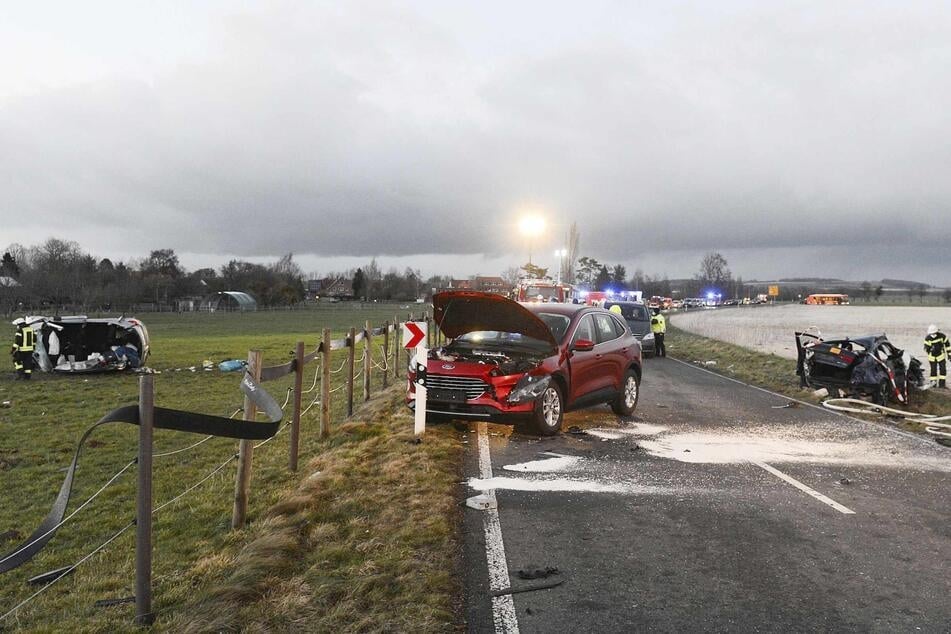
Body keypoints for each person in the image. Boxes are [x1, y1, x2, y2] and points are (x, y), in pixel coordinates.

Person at [923, 324, 948, 388]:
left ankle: (942, 384)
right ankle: (933, 384)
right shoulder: (927, 338)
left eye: (934, 333)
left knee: (943, 370)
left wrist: (949, 355)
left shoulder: (942, 336)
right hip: (932, 358)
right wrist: (929, 349)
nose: (933, 335)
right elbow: (926, 348)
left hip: (941, 356)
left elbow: (948, 346)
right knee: (933, 371)